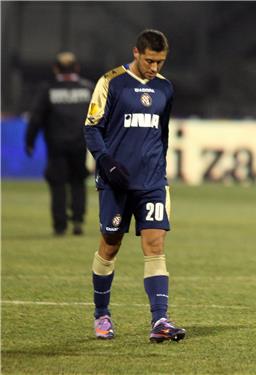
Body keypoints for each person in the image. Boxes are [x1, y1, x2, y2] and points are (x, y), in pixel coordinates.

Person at [84, 29, 185, 343]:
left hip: (152, 181)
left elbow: (162, 133)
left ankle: (160, 321)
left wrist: (159, 168)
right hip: (116, 182)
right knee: (110, 244)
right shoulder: (111, 82)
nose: (155, 68)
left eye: (161, 62)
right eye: (150, 61)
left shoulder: (165, 88)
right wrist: (106, 161)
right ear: (137, 53)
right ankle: (102, 314)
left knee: (155, 245)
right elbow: (91, 128)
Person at [25, 52, 93, 236]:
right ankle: (78, 220)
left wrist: (29, 141)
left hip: (56, 145)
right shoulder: (88, 88)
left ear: (55, 69)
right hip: (80, 144)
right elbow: (101, 116)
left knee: (58, 184)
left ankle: (60, 225)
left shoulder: (48, 89)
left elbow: (36, 118)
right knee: (78, 181)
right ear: (76, 68)